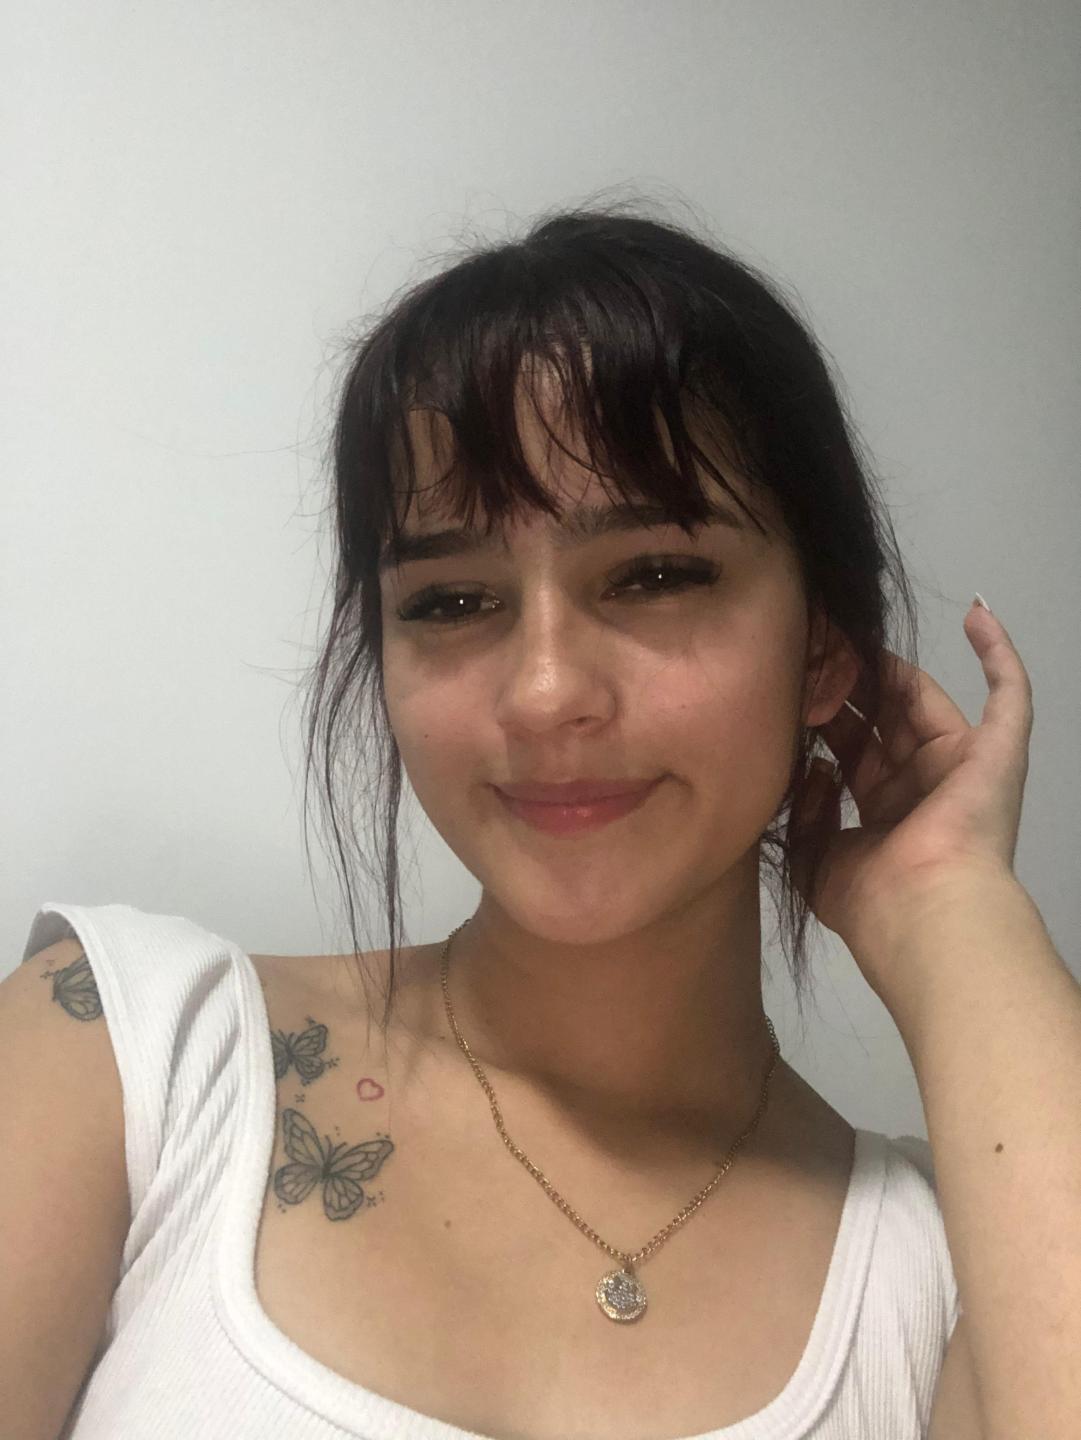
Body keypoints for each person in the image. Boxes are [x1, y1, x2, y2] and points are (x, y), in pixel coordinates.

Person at [10, 201, 1027, 1439]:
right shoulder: (130, 1055)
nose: (545, 692)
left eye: (655, 574)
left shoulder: (952, 1275)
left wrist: (955, 912)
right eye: (450, 600)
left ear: (823, 647)